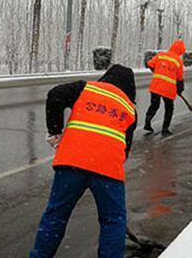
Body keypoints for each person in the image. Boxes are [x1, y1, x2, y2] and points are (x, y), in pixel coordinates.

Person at [30, 64, 137, 258]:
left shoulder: (85, 88)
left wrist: (55, 130)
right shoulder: (130, 108)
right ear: (130, 88)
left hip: (72, 163)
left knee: (56, 215)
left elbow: (55, 95)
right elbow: (125, 149)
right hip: (108, 169)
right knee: (113, 221)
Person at [144, 39, 186, 136]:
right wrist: (180, 89)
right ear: (180, 51)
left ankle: (147, 122)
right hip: (168, 89)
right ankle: (165, 129)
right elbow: (179, 78)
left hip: (156, 86)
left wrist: (156, 70)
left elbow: (150, 64)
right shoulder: (178, 61)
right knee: (169, 108)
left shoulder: (161, 55)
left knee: (154, 105)